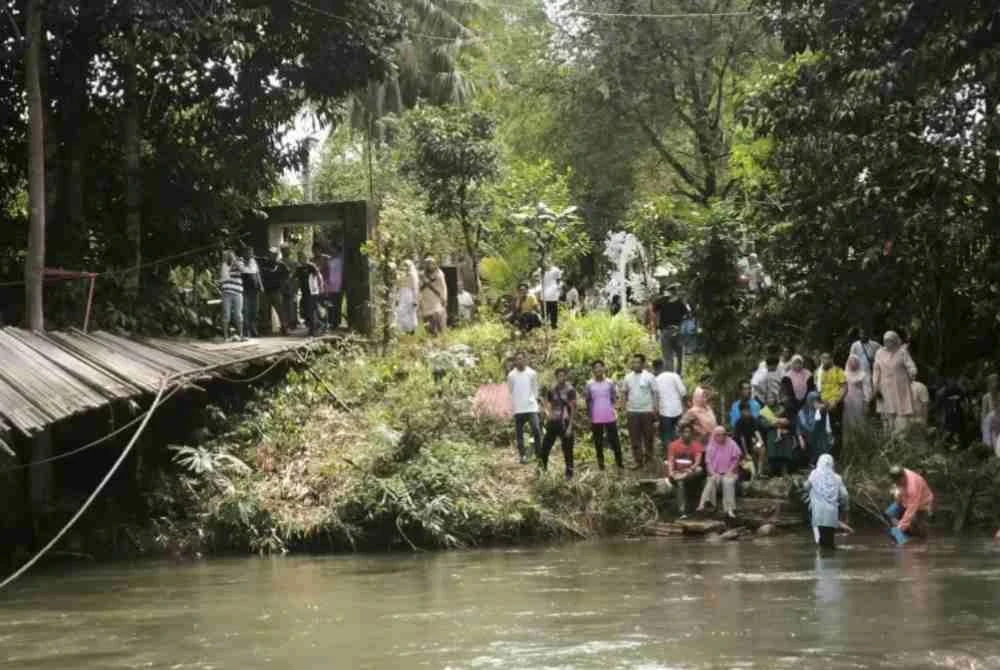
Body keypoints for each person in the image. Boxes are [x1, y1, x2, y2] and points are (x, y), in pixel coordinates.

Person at [873, 331, 918, 433]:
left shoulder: (902, 352)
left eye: (890, 341)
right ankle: (887, 437)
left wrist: (912, 371)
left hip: (900, 385)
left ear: (895, 341)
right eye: (885, 341)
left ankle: (900, 434)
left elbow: (910, 365)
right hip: (884, 386)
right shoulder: (879, 353)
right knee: (887, 413)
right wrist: (875, 385)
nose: (887, 343)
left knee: (901, 411)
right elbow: (876, 370)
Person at [804, 454, 850, 550]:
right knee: (829, 539)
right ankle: (829, 559)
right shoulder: (837, 477)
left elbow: (806, 487)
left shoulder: (814, 474)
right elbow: (845, 495)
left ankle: (823, 560)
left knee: (822, 541)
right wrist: (845, 508)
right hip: (832, 514)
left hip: (818, 513)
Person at [584, 360, 623, 471]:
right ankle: (601, 466)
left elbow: (613, 398)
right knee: (598, 443)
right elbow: (587, 400)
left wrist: (614, 409)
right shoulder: (589, 384)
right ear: (593, 370)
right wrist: (589, 415)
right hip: (596, 418)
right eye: (595, 367)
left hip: (610, 416)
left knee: (615, 441)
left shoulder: (610, 383)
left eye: (600, 367)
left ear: (604, 368)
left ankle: (620, 464)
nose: (598, 369)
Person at [697, 426, 743, 518]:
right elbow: (708, 463)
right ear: (715, 435)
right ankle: (703, 504)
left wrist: (730, 471)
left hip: (730, 472)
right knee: (711, 480)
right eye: (719, 435)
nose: (721, 437)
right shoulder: (711, 445)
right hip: (716, 473)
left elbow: (737, 459)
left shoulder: (731, 443)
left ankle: (729, 509)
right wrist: (714, 473)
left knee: (727, 481)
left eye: (723, 434)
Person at [540, 367, 577, 478]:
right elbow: (547, 403)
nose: (561, 377)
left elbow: (573, 409)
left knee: (567, 450)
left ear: (566, 376)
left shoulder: (570, 390)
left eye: (563, 375)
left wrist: (570, 426)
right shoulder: (552, 389)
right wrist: (547, 414)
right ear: (556, 377)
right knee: (545, 447)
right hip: (553, 422)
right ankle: (543, 469)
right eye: (559, 375)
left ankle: (569, 473)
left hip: (565, 423)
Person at [623, 353, 658, 470]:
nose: (635, 364)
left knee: (648, 437)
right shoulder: (628, 377)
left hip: (647, 411)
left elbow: (655, 393)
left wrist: (655, 409)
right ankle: (638, 461)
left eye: (638, 362)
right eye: (633, 362)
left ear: (643, 364)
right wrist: (625, 408)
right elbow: (624, 393)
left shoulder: (649, 376)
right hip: (632, 411)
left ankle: (648, 460)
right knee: (634, 438)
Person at [507, 351, 541, 465]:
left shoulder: (532, 373)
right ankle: (522, 455)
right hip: (518, 409)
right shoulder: (511, 375)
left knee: (536, 429)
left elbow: (535, 389)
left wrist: (533, 400)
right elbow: (510, 391)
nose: (519, 361)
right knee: (519, 434)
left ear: (526, 360)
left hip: (531, 407)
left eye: (521, 359)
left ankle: (538, 454)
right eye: (517, 359)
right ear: (515, 361)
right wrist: (514, 405)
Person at [648, 283, 690, 375]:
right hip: (678, 331)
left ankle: (670, 377)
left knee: (668, 357)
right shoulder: (680, 302)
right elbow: (687, 315)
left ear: (668, 291)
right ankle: (678, 377)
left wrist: (656, 326)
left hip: (666, 331)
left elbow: (653, 308)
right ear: (676, 291)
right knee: (680, 357)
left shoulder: (662, 301)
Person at [885, 465, 934, 542]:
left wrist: (899, 528)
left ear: (903, 477)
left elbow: (910, 511)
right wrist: (897, 498)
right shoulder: (900, 472)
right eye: (895, 481)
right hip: (905, 500)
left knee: (918, 527)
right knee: (889, 513)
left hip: (922, 504)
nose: (897, 483)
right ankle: (902, 537)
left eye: (898, 481)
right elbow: (898, 489)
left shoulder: (912, 488)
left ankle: (919, 542)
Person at [666, 422, 704, 517]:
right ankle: (682, 511)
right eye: (685, 432)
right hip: (677, 473)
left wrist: (689, 470)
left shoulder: (696, 445)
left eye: (689, 432)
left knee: (699, 469)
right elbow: (670, 460)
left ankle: (688, 509)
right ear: (681, 433)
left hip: (689, 472)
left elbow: (697, 461)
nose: (687, 434)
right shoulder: (673, 445)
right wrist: (671, 472)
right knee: (680, 481)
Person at [654, 359, 686, 455]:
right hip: (677, 411)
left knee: (666, 436)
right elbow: (683, 392)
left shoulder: (655, 380)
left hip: (664, 413)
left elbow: (656, 399)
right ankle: (681, 455)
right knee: (679, 433)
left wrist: (656, 413)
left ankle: (669, 457)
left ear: (655, 368)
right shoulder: (674, 376)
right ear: (663, 366)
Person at [259, 247, 290, 335]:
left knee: (280, 310)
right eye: (270, 253)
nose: (272, 255)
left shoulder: (281, 265)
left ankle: (284, 328)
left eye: (274, 254)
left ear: (276, 255)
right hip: (265, 291)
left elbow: (287, 275)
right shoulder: (264, 263)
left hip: (276, 291)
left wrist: (282, 286)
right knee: (265, 310)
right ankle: (266, 330)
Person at [798, 391, 833, 466]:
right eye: (813, 401)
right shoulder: (802, 412)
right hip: (807, 437)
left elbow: (827, 425)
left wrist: (829, 435)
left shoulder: (821, 411)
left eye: (817, 401)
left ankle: (821, 463)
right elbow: (799, 427)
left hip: (820, 436)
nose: (815, 403)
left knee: (822, 441)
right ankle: (812, 462)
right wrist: (800, 438)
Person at [733, 399, 766, 476]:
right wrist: (746, 453)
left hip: (751, 444)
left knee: (762, 448)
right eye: (746, 410)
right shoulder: (739, 422)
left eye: (748, 410)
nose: (748, 412)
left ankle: (760, 472)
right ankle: (750, 473)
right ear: (741, 411)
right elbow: (742, 439)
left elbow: (756, 431)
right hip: (740, 447)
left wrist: (761, 441)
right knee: (747, 465)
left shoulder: (752, 419)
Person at [842, 354, 872, 437]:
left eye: (854, 361)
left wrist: (867, 400)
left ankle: (861, 440)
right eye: (850, 361)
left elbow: (867, 388)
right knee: (848, 420)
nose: (852, 363)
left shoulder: (863, 374)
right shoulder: (844, 374)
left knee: (860, 419)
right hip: (847, 400)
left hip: (859, 399)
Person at [219, 250, 245, 341]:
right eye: (225, 256)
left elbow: (242, 269)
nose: (226, 257)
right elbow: (222, 277)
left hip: (237, 292)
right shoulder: (224, 265)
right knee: (226, 315)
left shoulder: (239, 261)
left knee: (238, 314)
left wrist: (234, 260)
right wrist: (226, 263)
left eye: (228, 255)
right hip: (226, 293)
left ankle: (241, 335)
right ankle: (225, 337)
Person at [296, 251, 323, 336]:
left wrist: (321, 285)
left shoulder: (311, 266)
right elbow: (294, 278)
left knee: (311, 310)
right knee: (306, 310)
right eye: (299, 258)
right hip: (304, 292)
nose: (301, 259)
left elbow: (319, 275)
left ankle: (313, 329)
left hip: (312, 292)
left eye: (302, 257)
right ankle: (316, 324)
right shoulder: (299, 268)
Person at [419, 257, 448, 336]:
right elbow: (419, 288)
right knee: (428, 322)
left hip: (436, 300)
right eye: (427, 263)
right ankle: (431, 336)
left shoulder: (439, 274)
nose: (429, 265)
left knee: (438, 318)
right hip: (426, 301)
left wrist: (444, 298)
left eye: (431, 263)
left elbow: (443, 286)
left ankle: (440, 336)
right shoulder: (421, 275)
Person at [239, 246, 263, 338]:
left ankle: (253, 328)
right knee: (246, 310)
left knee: (254, 310)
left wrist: (261, 285)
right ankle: (246, 330)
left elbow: (257, 273)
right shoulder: (240, 261)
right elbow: (243, 271)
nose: (251, 254)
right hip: (245, 289)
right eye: (249, 252)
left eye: (251, 252)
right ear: (244, 253)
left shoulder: (254, 262)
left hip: (254, 289)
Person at [319, 243, 344, 330]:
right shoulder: (329, 260)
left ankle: (336, 322)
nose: (332, 250)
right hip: (330, 286)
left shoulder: (341, 260)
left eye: (334, 249)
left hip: (339, 285)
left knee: (337, 305)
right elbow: (325, 272)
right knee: (330, 305)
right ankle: (330, 321)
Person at [395, 259, 420, 334]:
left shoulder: (412, 275)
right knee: (400, 311)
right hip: (401, 294)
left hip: (409, 295)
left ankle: (411, 330)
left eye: (407, 266)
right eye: (404, 265)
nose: (405, 267)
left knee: (410, 312)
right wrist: (397, 296)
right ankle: (403, 329)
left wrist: (415, 299)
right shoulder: (400, 275)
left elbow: (415, 288)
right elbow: (398, 286)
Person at [279, 244, 299, 330]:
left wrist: (296, 287)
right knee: (284, 306)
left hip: (292, 287)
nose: (287, 251)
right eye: (284, 250)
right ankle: (285, 323)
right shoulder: (279, 262)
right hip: (282, 287)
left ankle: (293, 322)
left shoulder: (294, 262)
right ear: (282, 251)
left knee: (292, 305)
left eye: (287, 249)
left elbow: (297, 275)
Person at [541, 264, 563, 328]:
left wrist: (558, 291)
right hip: (544, 296)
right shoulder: (541, 270)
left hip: (553, 295)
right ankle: (544, 326)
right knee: (544, 312)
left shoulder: (556, 270)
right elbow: (537, 279)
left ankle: (554, 325)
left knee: (554, 312)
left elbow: (558, 281)